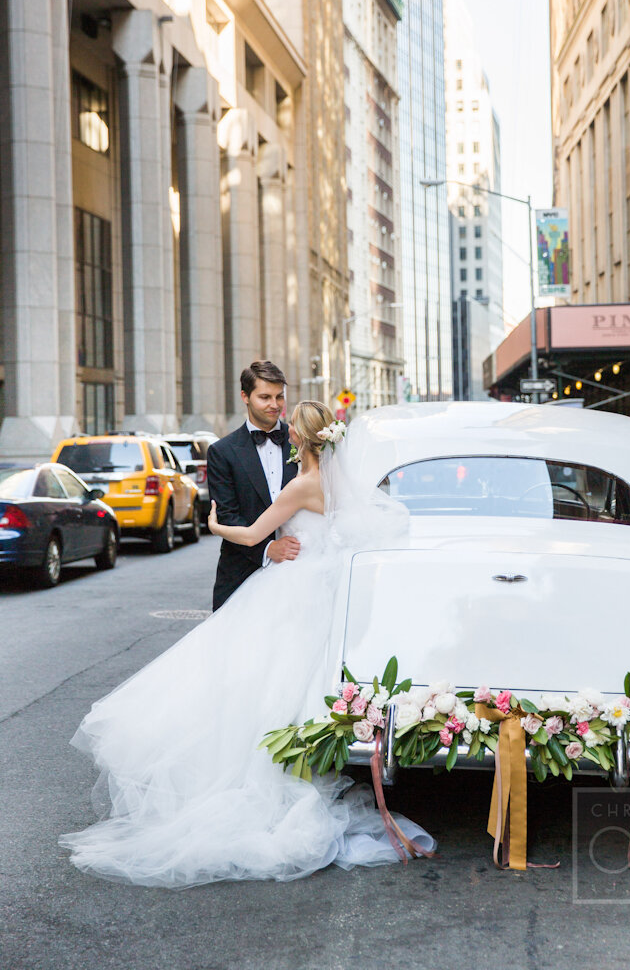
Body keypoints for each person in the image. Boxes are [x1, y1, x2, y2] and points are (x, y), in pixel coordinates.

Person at [59, 401, 434, 887]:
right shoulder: (345, 488)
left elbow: (255, 532)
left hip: (291, 590)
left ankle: (256, 777)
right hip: (321, 590)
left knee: (250, 682)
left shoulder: (302, 484)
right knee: (292, 687)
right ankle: (295, 765)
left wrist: (214, 525)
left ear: (301, 439)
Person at [207, 360, 300, 611]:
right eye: (265, 397)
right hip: (242, 572)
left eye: (279, 396)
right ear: (245, 397)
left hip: (301, 568)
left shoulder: (302, 443)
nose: (274, 405)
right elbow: (227, 515)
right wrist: (269, 548)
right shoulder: (221, 452)